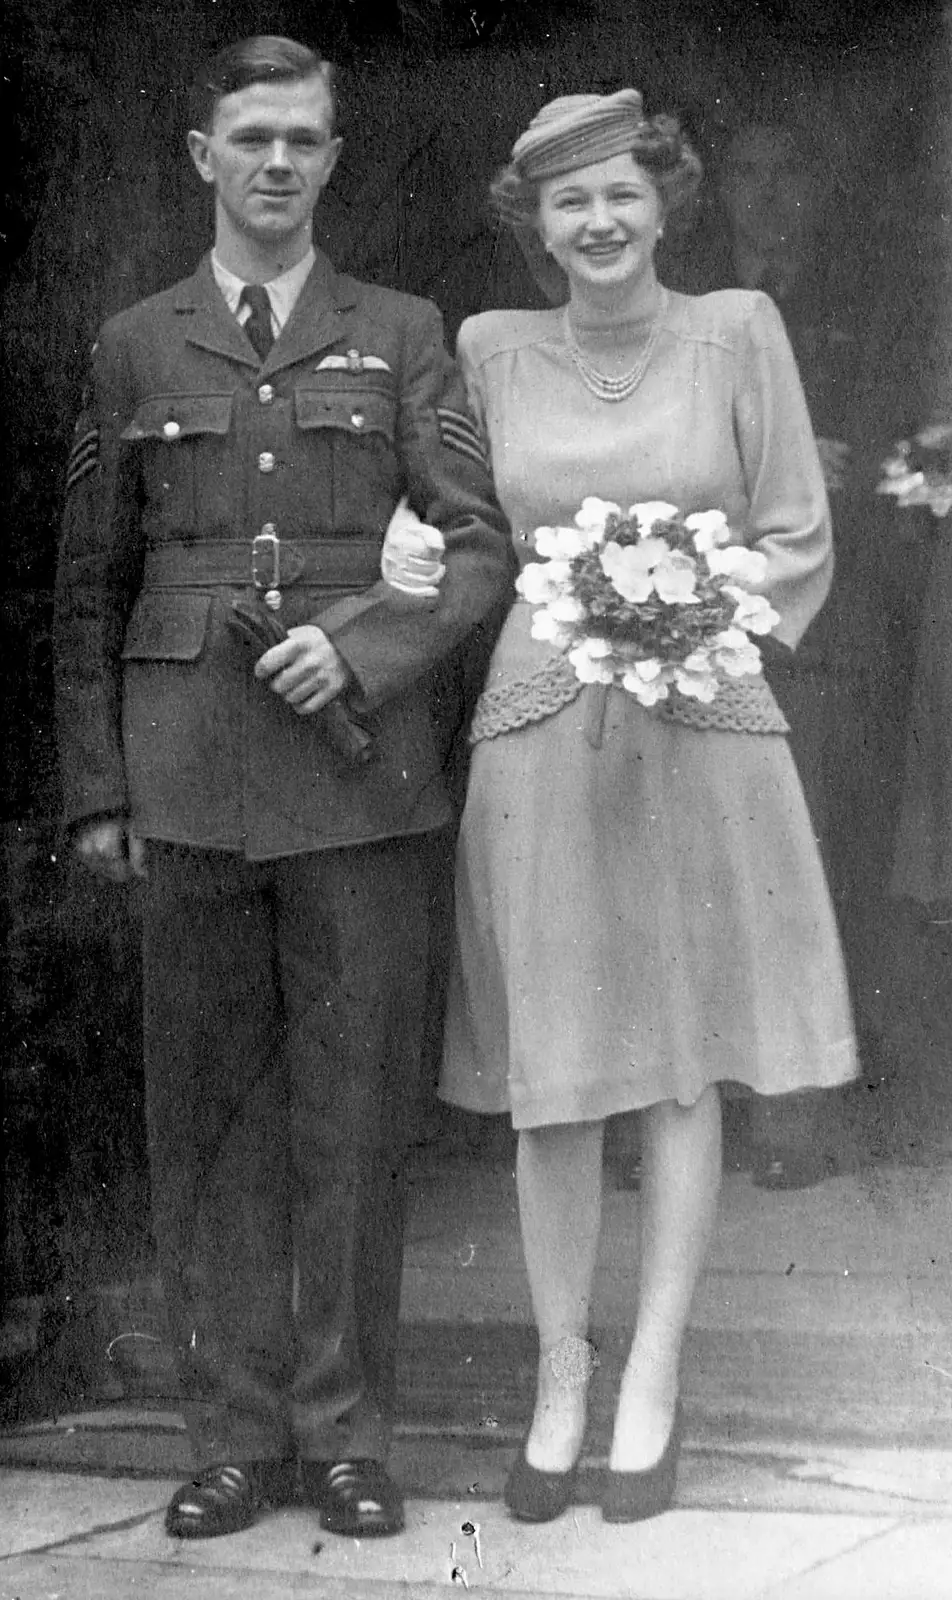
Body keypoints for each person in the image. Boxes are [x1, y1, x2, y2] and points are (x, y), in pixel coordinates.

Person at [53, 35, 511, 1543]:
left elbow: (476, 546)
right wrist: (97, 791)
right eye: (249, 137)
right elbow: (85, 585)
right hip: (187, 780)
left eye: (303, 141)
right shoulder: (135, 343)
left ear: (332, 158)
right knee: (210, 1126)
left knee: (351, 1119)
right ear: (200, 155)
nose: (275, 163)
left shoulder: (403, 330)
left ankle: (350, 1435)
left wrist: (368, 654)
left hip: (355, 777)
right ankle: (232, 1440)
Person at [439, 90, 857, 1524]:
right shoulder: (489, 352)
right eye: (569, 204)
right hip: (540, 733)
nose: (600, 223)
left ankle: (653, 1379)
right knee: (551, 1080)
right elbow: (461, 532)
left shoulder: (737, 328)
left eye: (622, 194)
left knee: (681, 1060)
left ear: (664, 201)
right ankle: (560, 1374)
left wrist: (686, 618)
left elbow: (797, 530)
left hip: (701, 725)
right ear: (534, 224)